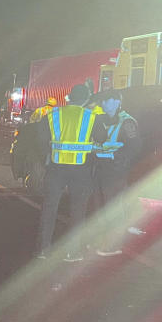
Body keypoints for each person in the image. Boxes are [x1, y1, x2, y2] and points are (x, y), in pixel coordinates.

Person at [35, 83, 108, 261]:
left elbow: (41, 139)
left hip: (56, 168)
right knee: (78, 210)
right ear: (86, 98)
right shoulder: (91, 117)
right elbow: (102, 138)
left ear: (70, 97)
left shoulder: (53, 115)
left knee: (49, 208)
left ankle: (43, 250)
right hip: (81, 169)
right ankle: (72, 252)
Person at [90, 90, 141, 256]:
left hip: (116, 169)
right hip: (101, 167)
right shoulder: (103, 119)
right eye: (103, 101)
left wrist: (114, 155)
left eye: (108, 101)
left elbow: (134, 147)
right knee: (101, 207)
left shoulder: (127, 122)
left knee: (113, 208)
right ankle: (101, 240)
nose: (104, 104)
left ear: (118, 102)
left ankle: (113, 245)